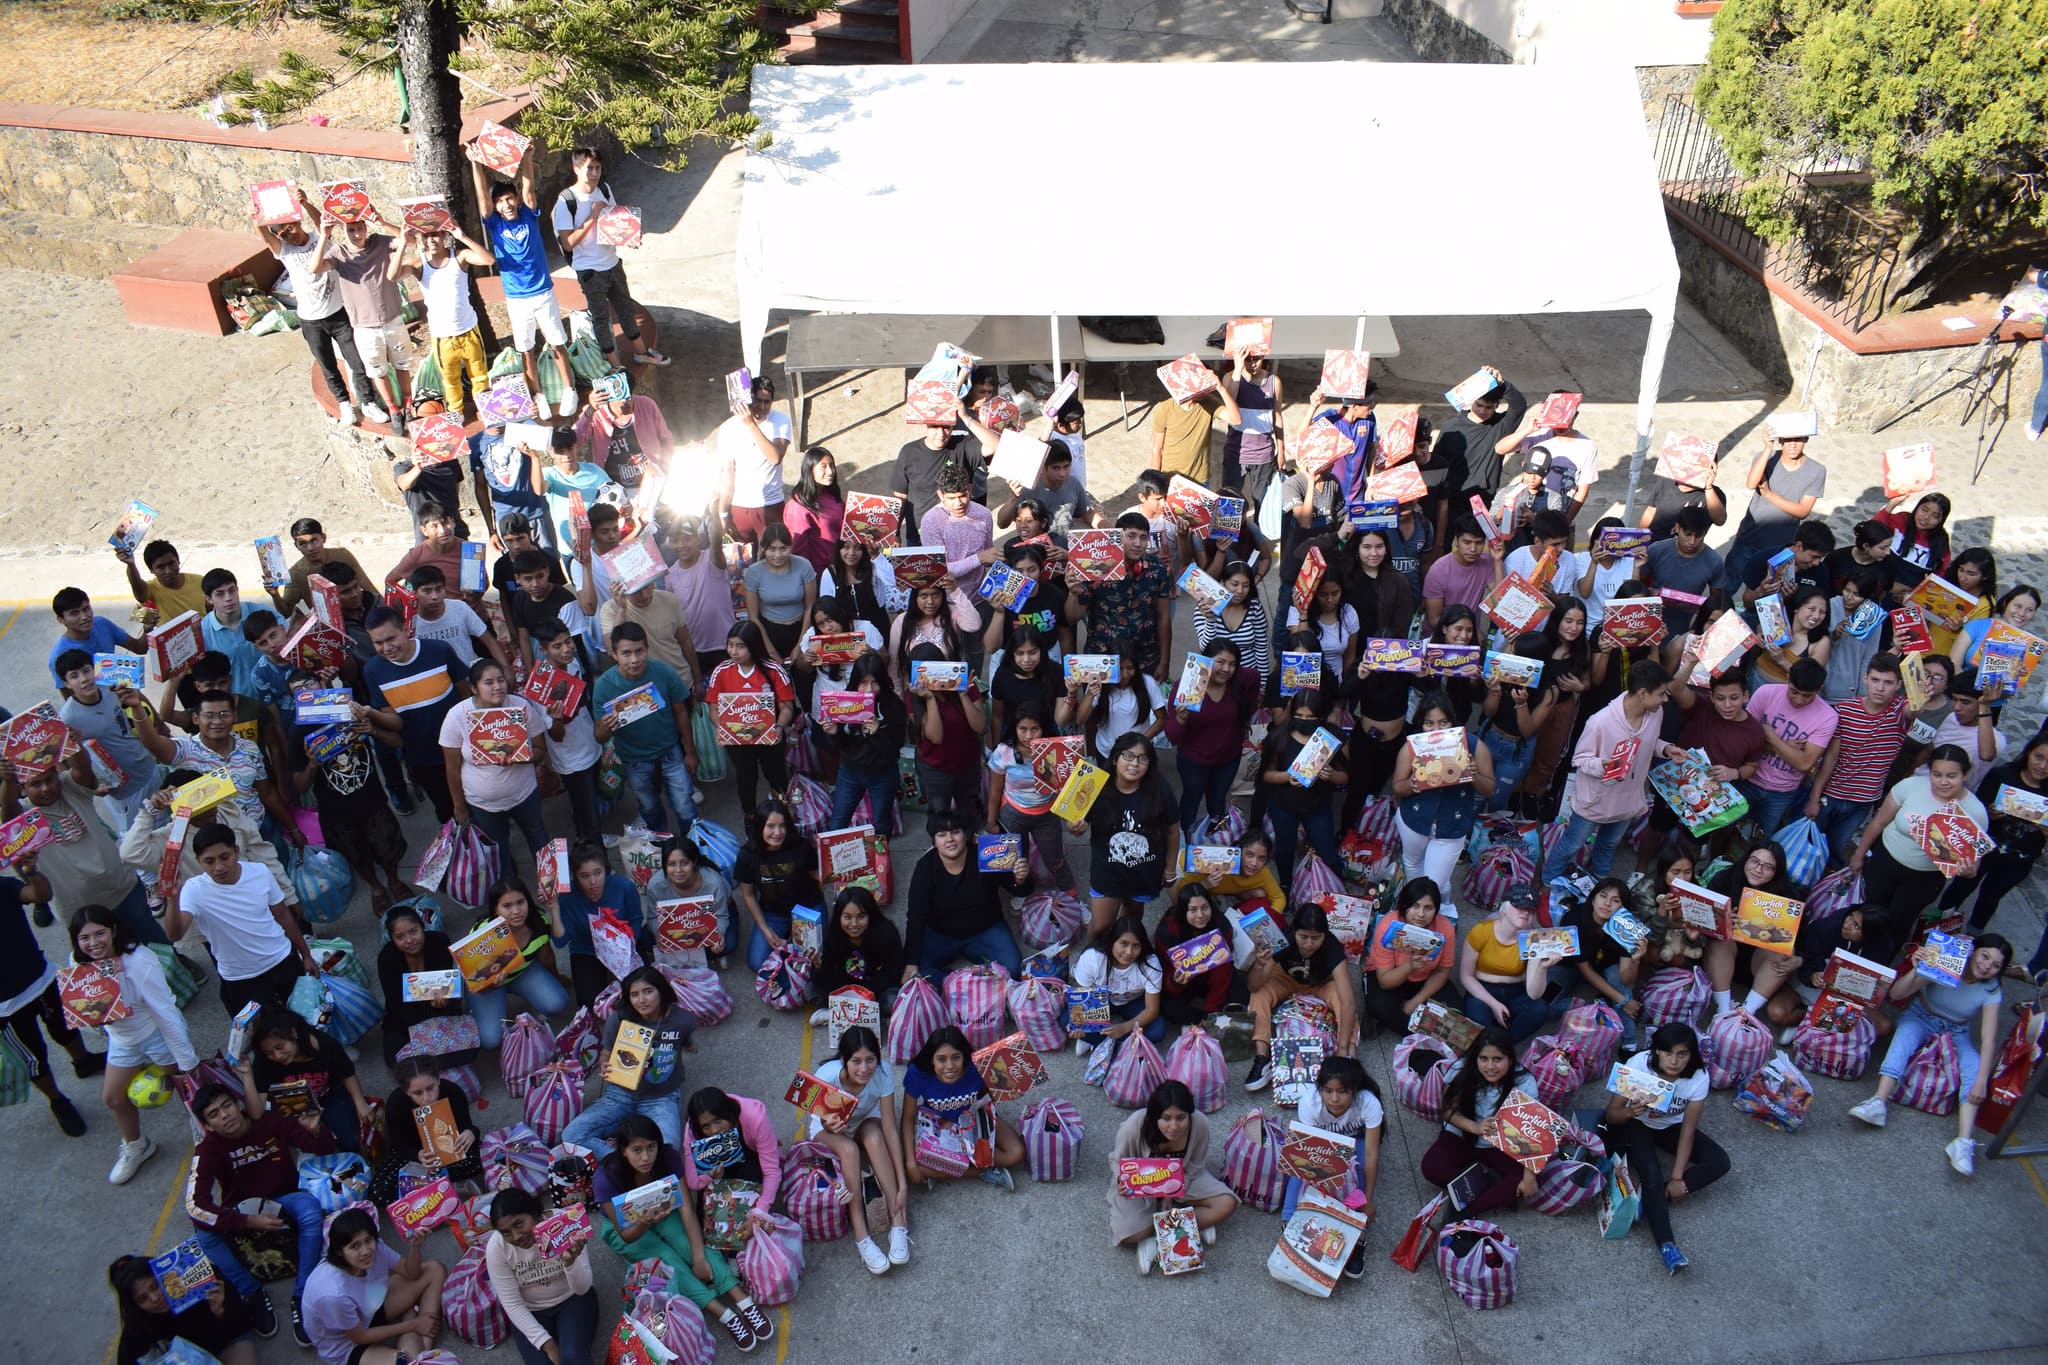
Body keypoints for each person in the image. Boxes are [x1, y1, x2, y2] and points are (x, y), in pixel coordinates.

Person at [593, 1113, 768, 1352]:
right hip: (630, 1226)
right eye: (637, 1150)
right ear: (623, 1150)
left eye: (651, 1147)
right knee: (668, 1262)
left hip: (664, 1207)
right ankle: (725, 1315)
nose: (646, 1157)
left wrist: (698, 1258)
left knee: (686, 1241)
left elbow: (686, 1211)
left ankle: (743, 1301)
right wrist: (644, 1221)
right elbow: (626, 1235)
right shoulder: (605, 1177)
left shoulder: (667, 1158)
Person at [184, 1082, 336, 1347]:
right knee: (202, 1233)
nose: (225, 1115)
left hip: (286, 1197)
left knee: (310, 1210)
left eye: (227, 1106)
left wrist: (315, 1131)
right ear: (207, 1125)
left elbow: (327, 1150)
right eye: (214, 1114)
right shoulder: (207, 1150)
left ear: (239, 1104)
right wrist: (246, 1221)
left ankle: (302, 1294)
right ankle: (251, 1292)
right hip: (242, 1209)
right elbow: (195, 1206)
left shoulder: (270, 1121)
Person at [1850, 934, 2011, 1174]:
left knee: (1974, 1065)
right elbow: (1896, 994)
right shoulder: (1949, 960)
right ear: (1972, 950)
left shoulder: (1991, 989)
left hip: (1957, 1030)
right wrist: (1918, 970)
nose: (1987, 966)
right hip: (1921, 1016)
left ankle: (1963, 1142)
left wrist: (1980, 1082)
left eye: (1996, 965)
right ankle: (1878, 1102)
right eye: (1984, 956)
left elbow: (1989, 1038)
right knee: (1905, 1036)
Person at [67, 904, 198, 1184]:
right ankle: (137, 1146)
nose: (93, 943)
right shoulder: (78, 965)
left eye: (99, 933)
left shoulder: (139, 960)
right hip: (122, 1041)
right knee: (113, 1098)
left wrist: (186, 1059)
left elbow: (164, 1011)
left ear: (113, 930)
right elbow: (87, 1010)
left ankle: (205, 1134)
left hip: (155, 1035)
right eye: (84, 938)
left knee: (188, 1090)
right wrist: (95, 1025)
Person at [1600, 1023, 1729, 1273]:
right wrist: (1630, 1111)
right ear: (1656, 1051)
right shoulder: (1638, 1065)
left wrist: (1679, 1178)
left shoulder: (1698, 1077)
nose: (1674, 1061)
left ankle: (1651, 1200)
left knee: (1720, 1161)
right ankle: (1667, 1246)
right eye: (1667, 1052)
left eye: (1682, 1054)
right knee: (1651, 1171)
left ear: (1691, 1055)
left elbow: (1688, 1130)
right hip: (1636, 1124)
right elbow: (1611, 1115)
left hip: (1671, 1126)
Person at [1848, 744, 1991, 966]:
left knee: (1898, 923)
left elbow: (1973, 863)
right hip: (1885, 862)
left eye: (1951, 776)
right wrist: (1859, 854)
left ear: (1965, 775)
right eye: (1937, 774)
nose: (1943, 782)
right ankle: (1849, 952)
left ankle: (1875, 967)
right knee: (1867, 910)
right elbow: (1879, 821)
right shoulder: (1910, 786)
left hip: (1924, 878)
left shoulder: (1975, 811)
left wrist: (1968, 869)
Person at [7, 757, 169, 951]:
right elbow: (9, 813)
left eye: (49, 779)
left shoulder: (70, 788)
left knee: (155, 941)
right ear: (22, 789)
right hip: (78, 908)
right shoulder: (24, 816)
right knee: (110, 959)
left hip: (121, 887)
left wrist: (75, 749)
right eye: (35, 784)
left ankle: (179, 971)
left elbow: (82, 770)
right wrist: (7, 780)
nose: (45, 788)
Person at [256, 183, 380, 426]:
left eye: (289, 227)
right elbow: (265, 236)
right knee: (328, 365)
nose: (287, 234)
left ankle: (368, 401)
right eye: (281, 232)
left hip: (339, 312)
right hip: (312, 320)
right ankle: (344, 403)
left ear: (297, 222)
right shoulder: (285, 251)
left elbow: (322, 222)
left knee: (356, 359)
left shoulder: (318, 237)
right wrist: (257, 218)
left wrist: (304, 203)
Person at [470, 139, 575, 414]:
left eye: (509, 199)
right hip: (517, 299)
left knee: (557, 343)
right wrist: (474, 163)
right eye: (501, 201)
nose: (506, 205)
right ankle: (538, 395)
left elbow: (529, 186)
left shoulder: (528, 215)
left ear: (515, 199)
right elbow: (482, 197)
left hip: (543, 293)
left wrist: (527, 158)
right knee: (526, 349)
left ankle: (569, 389)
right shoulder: (493, 224)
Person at [1543, 663, 1676, 880]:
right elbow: (1580, 759)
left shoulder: (1655, 713)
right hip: (1596, 800)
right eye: (1662, 694)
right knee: (1571, 846)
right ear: (1643, 693)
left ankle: (1598, 887)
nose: (1665, 700)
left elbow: (1650, 742)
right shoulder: (1599, 722)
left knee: (1608, 846)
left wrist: (1666, 748)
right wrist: (1602, 765)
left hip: (1627, 799)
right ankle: (1547, 882)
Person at [165, 824, 317, 1013]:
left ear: (236, 851)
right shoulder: (193, 890)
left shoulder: (260, 872)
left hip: (283, 961)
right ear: (198, 862)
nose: (219, 867)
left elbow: (283, 916)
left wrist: (306, 955)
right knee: (264, 1037)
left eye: (224, 857)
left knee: (305, 1019)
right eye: (209, 861)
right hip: (241, 979)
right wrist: (172, 899)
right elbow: (175, 934)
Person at [0, 861, 99, 1136]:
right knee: (33, 1057)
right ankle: (57, 1100)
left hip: (41, 979)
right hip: (4, 1007)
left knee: (66, 1026)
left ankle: (83, 1061)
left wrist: (31, 871)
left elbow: (40, 896)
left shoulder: (2, 886)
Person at [807, 1025, 912, 1273]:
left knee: (875, 1139)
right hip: (830, 1129)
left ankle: (899, 1221)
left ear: (878, 1058)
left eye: (870, 1060)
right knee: (850, 1151)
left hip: (865, 1119)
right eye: (856, 1061)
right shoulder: (826, 1075)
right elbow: (818, 1119)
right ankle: (862, 1236)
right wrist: (829, 1125)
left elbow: (889, 1129)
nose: (864, 1069)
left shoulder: (883, 1074)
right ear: (844, 1060)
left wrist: (902, 1182)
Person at [551, 146, 668, 369]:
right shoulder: (566, 201)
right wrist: (592, 217)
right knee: (601, 319)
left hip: (612, 263)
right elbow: (567, 242)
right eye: (589, 168)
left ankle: (642, 352)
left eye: (598, 168)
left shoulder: (604, 189)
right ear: (576, 169)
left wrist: (629, 236)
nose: (594, 173)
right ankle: (614, 364)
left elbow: (613, 222)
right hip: (589, 270)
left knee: (626, 310)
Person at [1108, 1079, 1240, 1273]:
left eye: (1181, 1117)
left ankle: (1163, 1234)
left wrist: (1171, 1192)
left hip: (1184, 1178)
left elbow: (1195, 1163)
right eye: (1166, 1118)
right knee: (1129, 1234)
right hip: (1141, 1185)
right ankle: (1185, 1226)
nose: (1174, 1126)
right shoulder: (1134, 1127)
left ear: (1190, 1114)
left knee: (1227, 1203)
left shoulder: (1200, 1124)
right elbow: (1117, 1161)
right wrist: (1122, 1181)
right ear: (1155, 1116)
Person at [562, 965, 695, 1150]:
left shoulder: (683, 1020)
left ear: (662, 991)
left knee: (668, 1150)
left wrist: (688, 1047)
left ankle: (637, 1157)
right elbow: (606, 1054)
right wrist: (606, 1065)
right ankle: (620, 1161)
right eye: (634, 994)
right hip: (620, 1094)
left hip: (660, 1098)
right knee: (571, 1135)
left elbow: (687, 1043)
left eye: (648, 991)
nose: (641, 1000)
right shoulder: (619, 1019)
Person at [359, 607, 468, 824]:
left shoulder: (439, 650)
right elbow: (395, 722)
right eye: (378, 643)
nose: (387, 648)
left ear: (406, 629)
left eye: (391, 638)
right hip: (422, 759)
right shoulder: (373, 671)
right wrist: (370, 713)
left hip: (463, 749)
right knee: (448, 814)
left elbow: (466, 697)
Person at [438, 657, 552, 865]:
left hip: (525, 795)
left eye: (501, 680)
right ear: (474, 688)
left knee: (539, 839)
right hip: (483, 805)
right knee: (497, 854)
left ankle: (554, 889)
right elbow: (453, 769)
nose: (498, 687)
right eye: (488, 683)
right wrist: (459, 806)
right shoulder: (457, 716)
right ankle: (509, 892)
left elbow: (540, 750)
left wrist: (522, 757)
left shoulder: (521, 707)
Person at [1070, 732, 1181, 938]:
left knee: (1132, 919)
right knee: (1100, 926)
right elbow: (1074, 823)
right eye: (1128, 756)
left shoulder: (1160, 789)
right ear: (1114, 759)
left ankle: (1120, 957)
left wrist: (1170, 867)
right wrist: (1075, 828)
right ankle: (1093, 961)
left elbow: (1173, 830)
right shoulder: (1093, 785)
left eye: (1142, 758)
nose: (1134, 764)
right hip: (1108, 872)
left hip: (1145, 871)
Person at [594, 622, 700, 836]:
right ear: (613, 654)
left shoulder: (664, 673)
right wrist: (607, 728)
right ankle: (660, 845)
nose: (634, 659)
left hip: (671, 752)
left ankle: (692, 847)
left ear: (647, 649)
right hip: (634, 759)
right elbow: (599, 736)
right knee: (649, 807)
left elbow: (681, 712)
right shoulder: (604, 686)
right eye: (626, 653)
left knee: (684, 805)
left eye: (639, 651)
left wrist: (690, 751)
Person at [303, 1207, 446, 1365]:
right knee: (407, 1362)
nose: (365, 1251)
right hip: (347, 1345)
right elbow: (360, 1336)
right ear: (339, 1251)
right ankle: (420, 1342)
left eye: (368, 1240)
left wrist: (415, 1247)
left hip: (371, 1304)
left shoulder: (376, 1248)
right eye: (355, 1246)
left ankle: (421, 1339)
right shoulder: (332, 1294)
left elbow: (411, 1273)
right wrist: (413, 1325)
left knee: (435, 1270)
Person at [1939, 735, 2048, 942]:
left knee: (1991, 897)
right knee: (1960, 887)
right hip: (1983, 847)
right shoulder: (2002, 774)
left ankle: (1973, 939)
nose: (2042, 766)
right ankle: (1933, 926)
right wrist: (1987, 812)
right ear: (2029, 752)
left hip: (2019, 859)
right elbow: (1975, 810)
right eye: (2038, 757)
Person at [312, 209, 413, 431]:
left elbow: (410, 240)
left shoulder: (380, 243)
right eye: (351, 230)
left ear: (366, 228)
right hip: (364, 326)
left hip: (392, 319)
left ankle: (408, 405)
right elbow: (315, 268)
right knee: (378, 371)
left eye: (359, 228)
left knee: (402, 364)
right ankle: (393, 410)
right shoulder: (339, 254)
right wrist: (323, 236)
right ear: (344, 231)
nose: (356, 234)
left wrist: (383, 221)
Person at [1419, 1026, 1538, 1215]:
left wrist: (1529, 1177)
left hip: (1502, 1144)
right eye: (1484, 1059)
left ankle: (1466, 1209)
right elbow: (1448, 1111)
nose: (1490, 1067)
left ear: (1511, 1059)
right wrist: (1475, 1127)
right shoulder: (1461, 1069)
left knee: (1526, 1181)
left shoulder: (1525, 1083)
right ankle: (1487, 1185)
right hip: (1462, 1135)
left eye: (1497, 1059)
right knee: (1431, 1167)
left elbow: (1531, 1132)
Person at [1806, 654, 1912, 864]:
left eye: (1888, 682)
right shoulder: (1844, 710)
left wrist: (1920, 695)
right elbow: (1831, 758)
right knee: (1810, 846)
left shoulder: (1900, 710)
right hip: (1831, 793)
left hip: (1863, 801)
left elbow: (1915, 711)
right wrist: (1814, 797)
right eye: (1875, 680)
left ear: (1898, 685)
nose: (1880, 688)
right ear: (1865, 679)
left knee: (1837, 849)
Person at [903, 809, 1026, 981]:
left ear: (965, 835)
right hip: (941, 933)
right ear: (934, 841)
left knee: (1014, 969)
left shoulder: (985, 855)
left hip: (986, 928)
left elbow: (1017, 889)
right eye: (942, 834)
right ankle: (961, 984)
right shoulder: (926, 867)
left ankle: (972, 982)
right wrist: (911, 963)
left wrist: (1020, 880)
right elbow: (916, 915)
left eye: (955, 832)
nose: (950, 839)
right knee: (917, 973)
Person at [899, 1026, 1026, 1192]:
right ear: (931, 1059)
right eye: (941, 1059)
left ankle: (945, 1169)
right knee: (915, 1167)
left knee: (1016, 1153)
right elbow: (907, 1117)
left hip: (974, 1119)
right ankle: (981, 1171)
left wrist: (1007, 1093)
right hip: (940, 1127)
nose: (950, 1066)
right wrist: (909, 1163)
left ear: (964, 1057)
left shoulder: (977, 1067)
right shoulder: (918, 1073)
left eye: (956, 1058)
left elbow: (986, 1098)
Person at [1391, 692, 1495, 895]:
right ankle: (1425, 909)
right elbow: (1397, 788)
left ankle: (1438, 906)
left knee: (1434, 885)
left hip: (1451, 828)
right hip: (1414, 821)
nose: (1436, 730)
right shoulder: (1412, 747)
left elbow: (1490, 789)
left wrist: (1472, 774)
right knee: (1412, 866)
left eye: (1443, 722)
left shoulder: (1473, 746)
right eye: (1429, 723)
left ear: (1453, 722)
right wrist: (1416, 782)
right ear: (1421, 723)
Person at [485, 1186, 601, 1365]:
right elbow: (512, 1303)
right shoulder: (496, 1248)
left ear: (534, 1213)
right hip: (531, 1311)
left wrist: (570, 1262)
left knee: (573, 1357)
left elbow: (582, 1288)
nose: (516, 1236)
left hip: (572, 1300)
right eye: (506, 1232)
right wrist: (546, 1344)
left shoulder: (564, 1223)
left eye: (519, 1224)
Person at [1244, 904, 1356, 1089]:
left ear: (1325, 935)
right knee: (1259, 994)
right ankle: (1262, 1057)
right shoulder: (1282, 940)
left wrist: (1341, 1048)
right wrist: (1259, 964)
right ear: (1294, 931)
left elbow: (1349, 1002)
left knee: (1342, 998)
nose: (1309, 944)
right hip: (1285, 978)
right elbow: (1253, 986)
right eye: (1303, 937)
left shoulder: (1332, 947)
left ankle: (1348, 1054)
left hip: (1319, 984)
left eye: (1316, 938)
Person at [1697, 837, 1806, 1023]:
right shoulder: (1725, 879)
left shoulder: (1788, 896)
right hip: (1720, 959)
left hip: (1759, 966)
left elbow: (1800, 939)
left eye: (1768, 867)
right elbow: (1699, 922)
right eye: (1754, 861)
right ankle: (1723, 1011)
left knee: (1781, 950)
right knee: (1722, 939)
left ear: (1776, 872)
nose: (1758, 869)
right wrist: (1721, 921)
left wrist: (1798, 960)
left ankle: (1745, 1014)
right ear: (1746, 859)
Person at [244, 1007, 373, 1154]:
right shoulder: (264, 1062)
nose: (277, 1056)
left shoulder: (324, 1045)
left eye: (280, 1047)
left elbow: (347, 1073)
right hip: (291, 1104)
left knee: (350, 1144)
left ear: (293, 1033)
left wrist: (360, 1103)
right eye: (269, 1053)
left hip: (328, 1095)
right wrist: (247, 1074)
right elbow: (256, 1113)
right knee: (306, 1145)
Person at [703, 622, 798, 822]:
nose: (734, 651)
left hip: (770, 739)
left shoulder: (773, 670)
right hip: (737, 742)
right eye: (730, 645)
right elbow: (714, 709)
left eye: (740, 646)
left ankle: (782, 815)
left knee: (776, 776)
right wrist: (723, 728)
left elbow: (787, 707)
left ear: (754, 646)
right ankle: (751, 817)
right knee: (746, 779)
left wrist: (779, 727)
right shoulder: (721, 671)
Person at [467, 876, 575, 1048]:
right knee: (490, 1040)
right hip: (487, 985)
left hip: (523, 972)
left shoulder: (539, 921)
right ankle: (477, 1010)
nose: (516, 911)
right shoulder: (481, 933)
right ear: (495, 909)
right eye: (507, 906)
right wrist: (493, 985)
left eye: (520, 902)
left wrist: (556, 979)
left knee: (557, 1003)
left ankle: (528, 995)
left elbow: (546, 955)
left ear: (528, 901)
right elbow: (474, 978)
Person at [680, 1087, 789, 1256]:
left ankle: (742, 1254)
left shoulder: (755, 1117)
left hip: (751, 1160)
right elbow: (693, 1182)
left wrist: (759, 1213)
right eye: (706, 1126)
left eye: (718, 1121)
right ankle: (727, 1255)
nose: (714, 1130)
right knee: (708, 1217)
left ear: (729, 1113)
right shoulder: (692, 1131)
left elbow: (771, 1171)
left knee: (746, 1207)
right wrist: (710, 1175)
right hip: (718, 1171)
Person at [1065, 512, 1174, 681]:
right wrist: (1072, 593)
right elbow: (1072, 618)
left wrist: (1165, 662)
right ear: (1117, 537)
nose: (1137, 543)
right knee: (1098, 707)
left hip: (1145, 658)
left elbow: (1163, 617)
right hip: (1101, 658)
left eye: (1143, 537)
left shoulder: (1157, 569)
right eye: (1131, 536)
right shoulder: (1095, 568)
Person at [108, 1251, 267, 1365]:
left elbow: (243, 1319)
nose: (155, 1298)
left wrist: (220, 1313)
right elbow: (126, 1359)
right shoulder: (138, 1322)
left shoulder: (199, 1278)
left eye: (156, 1285)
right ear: (135, 1305)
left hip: (226, 1340)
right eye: (143, 1298)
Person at [1257, 689, 1347, 887]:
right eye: (1299, 715)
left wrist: (1331, 776)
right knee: (1284, 850)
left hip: (1317, 807)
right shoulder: (1278, 737)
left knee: (1329, 854)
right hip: (1283, 806)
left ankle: (1339, 893)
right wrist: (1287, 777)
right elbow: (1266, 774)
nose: (1303, 720)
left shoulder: (1331, 739)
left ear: (1320, 716)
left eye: (1310, 717)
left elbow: (1346, 777)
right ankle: (1286, 887)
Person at [368, 1060, 484, 1207]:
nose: (426, 1097)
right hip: (414, 1155)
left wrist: (470, 1132)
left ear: (438, 1080)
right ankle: (447, 1186)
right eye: (417, 1093)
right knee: (378, 1191)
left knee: (485, 1157)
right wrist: (417, 1155)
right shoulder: (396, 1103)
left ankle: (426, 1190)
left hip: (449, 1150)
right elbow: (399, 1145)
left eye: (430, 1088)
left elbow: (466, 1126)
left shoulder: (453, 1092)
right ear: (406, 1091)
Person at [1723, 430, 1827, 593]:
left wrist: (1769, 495)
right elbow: (1751, 483)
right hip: (1750, 536)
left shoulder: (1816, 471)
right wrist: (1767, 448)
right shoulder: (1765, 458)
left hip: (1779, 546)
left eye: (1798, 439)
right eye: (1788, 440)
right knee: (1728, 585)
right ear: (1781, 440)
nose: (1793, 444)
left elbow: (1802, 511)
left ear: (1806, 439)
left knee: (1766, 592)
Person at [1459, 889, 1568, 1045]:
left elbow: (1534, 994)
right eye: (1519, 907)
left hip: (1515, 992)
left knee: (1539, 1009)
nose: (1526, 913)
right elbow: (1466, 976)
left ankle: (1503, 1049)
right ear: (1504, 908)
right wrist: (1494, 1004)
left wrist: (1542, 967)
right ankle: (1489, 1048)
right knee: (1477, 1015)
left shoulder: (1534, 939)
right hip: (1482, 990)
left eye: (1531, 910)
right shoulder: (1481, 931)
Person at [820, 651, 907, 836]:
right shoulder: (843, 703)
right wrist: (834, 733)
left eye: (874, 682)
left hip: (882, 774)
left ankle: (880, 864)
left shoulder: (893, 706)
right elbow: (840, 745)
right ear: (855, 682)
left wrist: (877, 732)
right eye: (863, 682)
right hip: (850, 772)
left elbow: (895, 747)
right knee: (837, 824)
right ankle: (839, 864)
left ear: (882, 681)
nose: (869, 689)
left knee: (881, 824)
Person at [1152, 882, 1261, 1028]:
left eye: (1205, 908)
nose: (1200, 915)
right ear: (1183, 911)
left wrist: (1210, 1010)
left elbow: (1222, 971)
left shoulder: (1221, 924)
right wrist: (1176, 982)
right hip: (1185, 982)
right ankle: (1208, 1019)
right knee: (1169, 1008)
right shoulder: (1168, 931)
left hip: (1212, 975)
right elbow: (1163, 969)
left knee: (1242, 988)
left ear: (1211, 906)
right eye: (1192, 910)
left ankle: (1213, 1016)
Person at [1362, 877, 1458, 1037]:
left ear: (1436, 910)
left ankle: (1407, 1024)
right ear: (1404, 906)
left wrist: (1415, 1002)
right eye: (1415, 906)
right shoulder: (1388, 925)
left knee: (1456, 1009)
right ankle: (1421, 1034)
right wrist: (1410, 966)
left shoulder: (1445, 928)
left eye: (1428, 908)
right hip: (1388, 977)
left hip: (1424, 979)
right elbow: (1385, 982)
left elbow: (1442, 971)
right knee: (1379, 1005)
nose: (1421, 914)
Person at [733, 800, 822, 972]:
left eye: (782, 826)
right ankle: (788, 937)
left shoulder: (802, 846)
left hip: (808, 907)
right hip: (774, 912)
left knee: (816, 958)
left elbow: (817, 876)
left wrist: (838, 870)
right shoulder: (747, 855)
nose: (777, 832)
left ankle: (793, 939)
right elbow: (748, 895)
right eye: (771, 826)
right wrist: (765, 929)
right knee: (757, 963)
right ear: (759, 827)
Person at [555, 841, 644, 1006]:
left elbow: (636, 919)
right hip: (586, 951)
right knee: (590, 1005)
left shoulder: (623, 887)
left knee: (640, 996)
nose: (593, 882)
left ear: (606, 870)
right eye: (585, 876)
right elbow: (561, 941)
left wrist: (628, 945)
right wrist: (553, 906)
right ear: (576, 877)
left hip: (622, 947)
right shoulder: (568, 898)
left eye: (598, 873)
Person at [376, 902, 462, 1067]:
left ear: (423, 928)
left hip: (442, 1012)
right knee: (396, 1060)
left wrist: (444, 1004)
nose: (409, 940)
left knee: (464, 1048)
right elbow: (395, 1003)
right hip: (403, 1019)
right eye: (400, 937)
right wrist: (424, 1031)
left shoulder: (440, 943)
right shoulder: (387, 958)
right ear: (392, 939)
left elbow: (451, 985)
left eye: (413, 932)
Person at [715, 375, 795, 545]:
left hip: (771, 503)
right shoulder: (728, 428)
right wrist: (722, 512)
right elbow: (728, 473)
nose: (762, 407)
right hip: (740, 505)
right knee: (741, 561)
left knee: (776, 556)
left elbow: (775, 457)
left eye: (767, 402)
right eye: (757, 401)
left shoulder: (781, 421)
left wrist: (750, 424)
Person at [1074, 915, 1167, 1048]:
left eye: (1136, 946)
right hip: (1098, 1000)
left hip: (1131, 1001)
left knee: (1157, 1031)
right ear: (1113, 941)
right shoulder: (1092, 958)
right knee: (1069, 1018)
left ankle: (1098, 1041)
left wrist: (1124, 1028)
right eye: (1123, 943)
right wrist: (1080, 1023)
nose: (1129, 952)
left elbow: (1152, 1009)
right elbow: (1083, 997)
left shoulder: (1150, 964)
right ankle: (1121, 1046)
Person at [647, 836, 737, 973]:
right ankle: (704, 955)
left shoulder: (713, 882)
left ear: (694, 862)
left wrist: (718, 935)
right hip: (675, 921)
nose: (678, 870)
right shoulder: (655, 885)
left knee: (728, 944)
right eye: (671, 864)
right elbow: (653, 917)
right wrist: (658, 934)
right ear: (664, 865)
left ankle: (702, 954)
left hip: (712, 915)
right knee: (644, 939)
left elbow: (721, 914)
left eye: (684, 863)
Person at [810, 885, 904, 1010]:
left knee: (893, 1001)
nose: (854, 924)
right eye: (847, 917)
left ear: (870, 915)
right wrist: (818, 966)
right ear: (839, 917)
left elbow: (893, 971)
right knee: (810, 991)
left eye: (861, 916)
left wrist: (864, 994)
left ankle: (844, 1012)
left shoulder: (886, 933)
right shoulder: (831, 936)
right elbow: (826, 979)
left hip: (876, 991)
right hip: (844, 992)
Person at [406, 564, 507, 672]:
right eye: (427, 591)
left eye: (439, 589)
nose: (434, 596)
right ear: (415, 593)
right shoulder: (409, 622)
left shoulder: (460, 608)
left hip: (466, 676)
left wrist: (506, 669)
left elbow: (489, 640)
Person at [1642, 506, 1726, 636]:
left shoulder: (1714, 561)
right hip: (1651, 615)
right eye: (1687, 534)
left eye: (1698, 536)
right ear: (1677, 528)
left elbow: (1715, 600)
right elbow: (1637, 586)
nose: (1692, 541)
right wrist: (1650, 593)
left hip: (1685, 622)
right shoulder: (1656, 550)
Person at [46, 584, 144, 694]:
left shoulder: (102, 623)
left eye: (86, 609)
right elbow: (71, 699)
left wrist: (147, 627)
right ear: (61, 620)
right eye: (74, 613)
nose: (84, 617)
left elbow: (140, 648)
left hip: (124, 691)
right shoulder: (58, 656)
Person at [1422, 517, 1503, 630]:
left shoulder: (1487, 562)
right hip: (1440, 636)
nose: (1473, 549)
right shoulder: (1438, 570)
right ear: (1456, 542)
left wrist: (1498, 560)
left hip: (1470, 634)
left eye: (1478, 543)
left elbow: (1499, 601)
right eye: (1467, 542)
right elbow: (1434, 620)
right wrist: (1468, 632)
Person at [784, 447, 846, 575]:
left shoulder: (833, 498)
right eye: (823, 466)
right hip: (817, 575)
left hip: (841, 567)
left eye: (831, 466)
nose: (830, 471)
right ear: (809, 470)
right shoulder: (797, 508)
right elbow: (798, 549)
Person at [122, 537, 209, 622]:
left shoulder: (200, 581)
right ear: (151, 570)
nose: (168, 571)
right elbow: (137, 588)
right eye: (160, 567)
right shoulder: (149, 591)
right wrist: (131, 565)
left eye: (171, 563)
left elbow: (212, 611)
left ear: (178, 561)